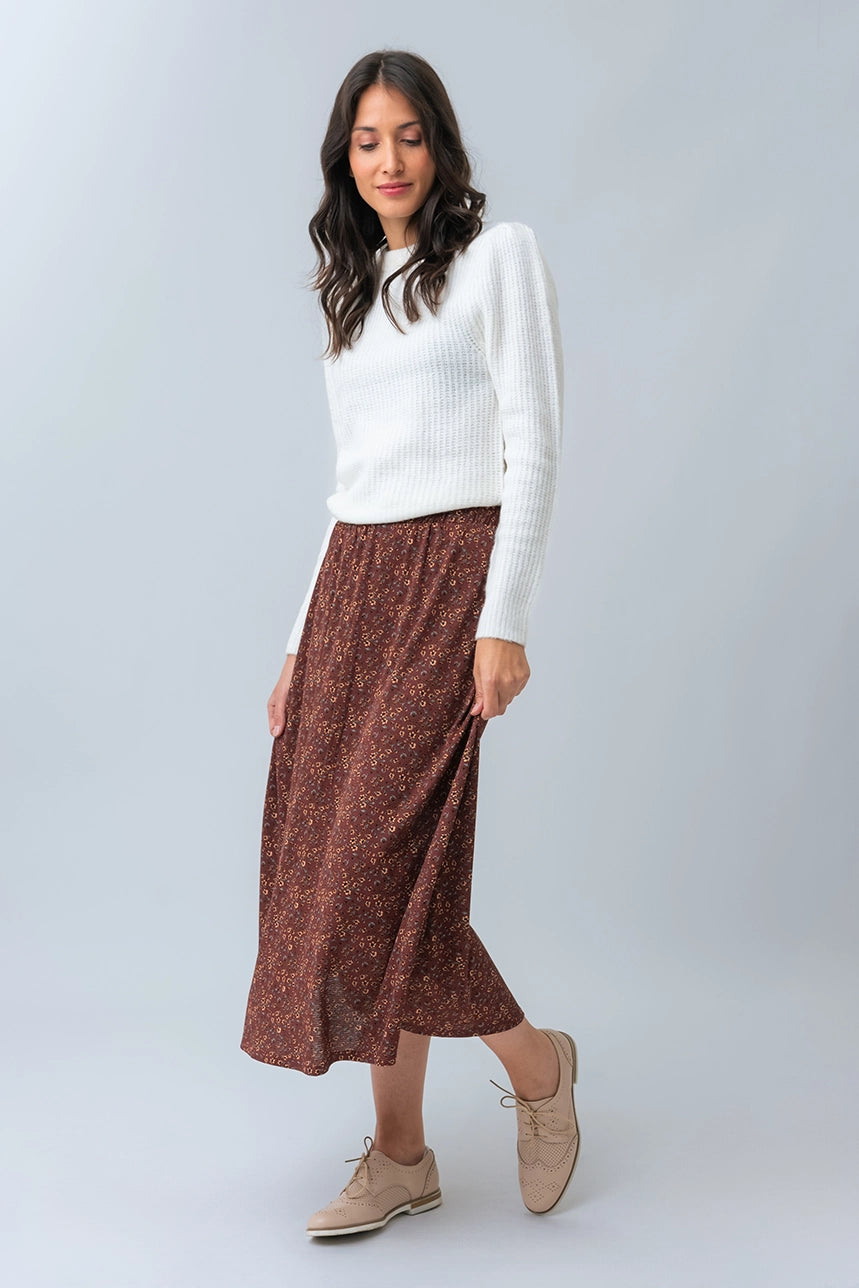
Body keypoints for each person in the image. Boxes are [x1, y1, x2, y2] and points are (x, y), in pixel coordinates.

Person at [240, 48, 579, 1237]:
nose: (388, 160)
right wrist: (299, 642)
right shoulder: (351, 294)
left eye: (409, 136)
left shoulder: (498, 257)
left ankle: (536, 1066)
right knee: (343, 876)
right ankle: (401, 1155)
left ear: (440, 145)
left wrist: (503, 616)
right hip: (352, 587)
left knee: (380, 872)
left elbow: (532, 441)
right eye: (367, 141)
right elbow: (352, 489)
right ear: (345, 158)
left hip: (448, 579)